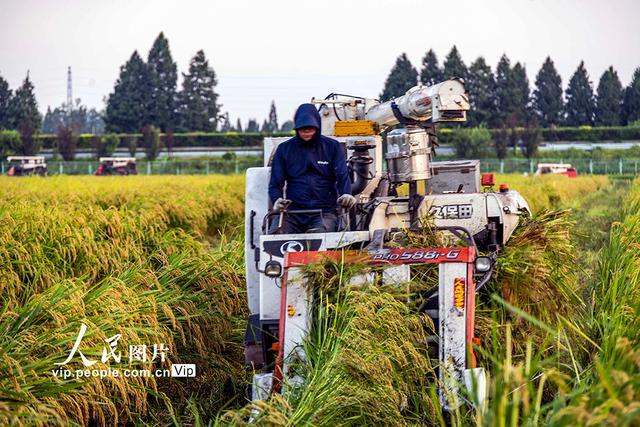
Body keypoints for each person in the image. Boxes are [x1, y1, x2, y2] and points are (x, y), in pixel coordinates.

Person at [268, 103, 356, 234]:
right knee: (276, 234)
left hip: (325, 213)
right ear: (296, 128)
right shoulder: (284, 150)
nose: (306, 132)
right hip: (292, 213)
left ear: (318, 127)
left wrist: (346, 194)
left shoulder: (332, 147)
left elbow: (342, 177)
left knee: (318, 235)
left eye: (310, 128)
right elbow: (275, 183)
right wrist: (277, 200)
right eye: (302, 128)